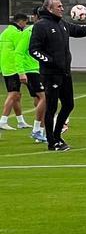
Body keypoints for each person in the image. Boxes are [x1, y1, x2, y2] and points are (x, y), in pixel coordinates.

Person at [28, 0, 86, 151]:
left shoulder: (62, 24)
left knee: (69, 105)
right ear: (50, 9)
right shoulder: (41, 26)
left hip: (64, 73)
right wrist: (50, 61)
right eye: (59, 6)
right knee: (51, 107)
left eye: (62, 6)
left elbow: (79, 30)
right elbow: (34, 50)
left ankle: (57, 136)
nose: (63, 8)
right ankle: (52, 142)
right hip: (51, 75)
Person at [13, 13, 47, 142]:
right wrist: (21, 72)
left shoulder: (44, 30)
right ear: (36, 18)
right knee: (45, 98)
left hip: (41, 69)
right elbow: (18, 52)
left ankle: (41, 132)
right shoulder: (29, 32)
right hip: (32, 71)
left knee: (40, 100)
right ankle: (37, 130)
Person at [0, 14, 32, 132]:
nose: (26, 25)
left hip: (6, 67)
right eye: (25, 23)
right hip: (14, 68)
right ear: (22, 22)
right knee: (13, 94)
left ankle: (21, 122)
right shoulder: (17, 34)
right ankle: (3, 121)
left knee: (17, 95)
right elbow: (22, 51)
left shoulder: (4, 33)